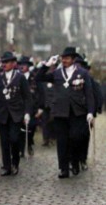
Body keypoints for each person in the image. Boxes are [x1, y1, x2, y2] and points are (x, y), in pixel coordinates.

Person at [35, 48, 95, 178]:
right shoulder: (56, 73)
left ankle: (74, 162)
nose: (64, 60)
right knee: (62, 141)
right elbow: (38, 78)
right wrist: (47, 65)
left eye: (67, 58)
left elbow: (89, 94)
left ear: (73, 59)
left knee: (76, 137)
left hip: (77, 112)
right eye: (63, 58)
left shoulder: (83, 73)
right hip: (60, 112)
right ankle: (63, 168)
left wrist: (90, 112)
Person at [0, 52, 31, 176]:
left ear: (14, 63)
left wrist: (27, 112)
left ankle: (15, 162)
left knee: (14, 139)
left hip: (16, 113)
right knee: (4, 141)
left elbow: (27, 97)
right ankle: (6, 166)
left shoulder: (20, 77)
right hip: (2, 113)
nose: (4, 64)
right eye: (3, 62)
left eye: (7, 62)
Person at [17, 56, 38, 157]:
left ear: (28, 66)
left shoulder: (34, 77)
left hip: (32, 107)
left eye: (24, 65)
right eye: (20, 65)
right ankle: (21, 149)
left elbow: (40, 92)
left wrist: (40, 107)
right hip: (19, 106)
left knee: (31, 127)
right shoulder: (16, 77)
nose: (22, 67)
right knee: (20, 129)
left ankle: (29, 143)